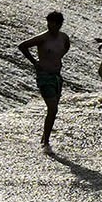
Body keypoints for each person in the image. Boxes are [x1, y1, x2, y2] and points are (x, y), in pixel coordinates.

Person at [18, 11, 70, 153]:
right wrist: (35, 62)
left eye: (53, 24)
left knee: (53, 111)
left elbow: (66, 48)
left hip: (57, 77)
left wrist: (57, 59)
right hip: (44, 76)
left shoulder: (64, 38)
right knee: (53, 108)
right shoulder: (42, 38)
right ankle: (46, 143)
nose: (49, 26)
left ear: (59, 24)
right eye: (48, 23)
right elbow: (22, 46)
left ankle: (44, 137)